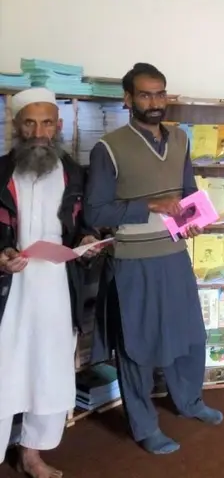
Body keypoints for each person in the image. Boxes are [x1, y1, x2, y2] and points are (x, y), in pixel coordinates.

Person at [85, 63, 221, 455]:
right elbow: (95, 212)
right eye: (145, 94)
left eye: (160, 93)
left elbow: (187, 191)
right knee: (138, 346)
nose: (155, 102)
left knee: (189, 336)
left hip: (175, 255)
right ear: (128, 99)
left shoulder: (180, 139)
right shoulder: (109, 148)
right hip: (133, 262)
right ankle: (145, 427)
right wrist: (150, 205)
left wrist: (194, 221)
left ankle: (189, 401)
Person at [0, 88, 102, 478]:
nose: (39, 132)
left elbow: (84, 226)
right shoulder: (0, 172)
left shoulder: (75, 173)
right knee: (4, 370)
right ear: (16, 125)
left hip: (58, 287)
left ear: (59, 126)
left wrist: (88, 241)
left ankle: (32, 455)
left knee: (49, 370)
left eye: (47, 123)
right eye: (30, 122)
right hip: (9, 290)